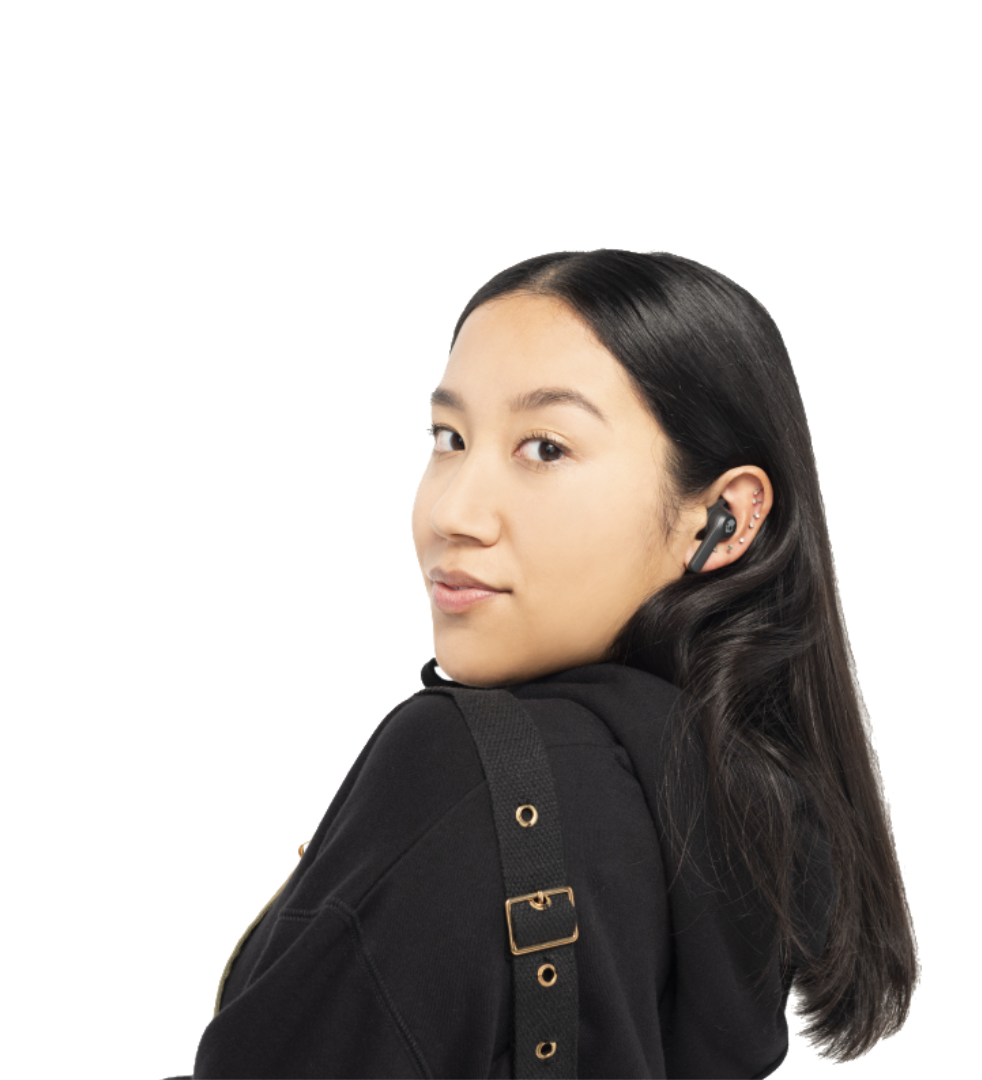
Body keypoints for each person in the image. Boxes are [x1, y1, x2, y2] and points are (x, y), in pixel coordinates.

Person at [179, 250, 919, 1079]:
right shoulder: (755, 817)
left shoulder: (461, 766)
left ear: (722, 517)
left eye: (544, 447)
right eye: (449, 438)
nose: (452, 511)